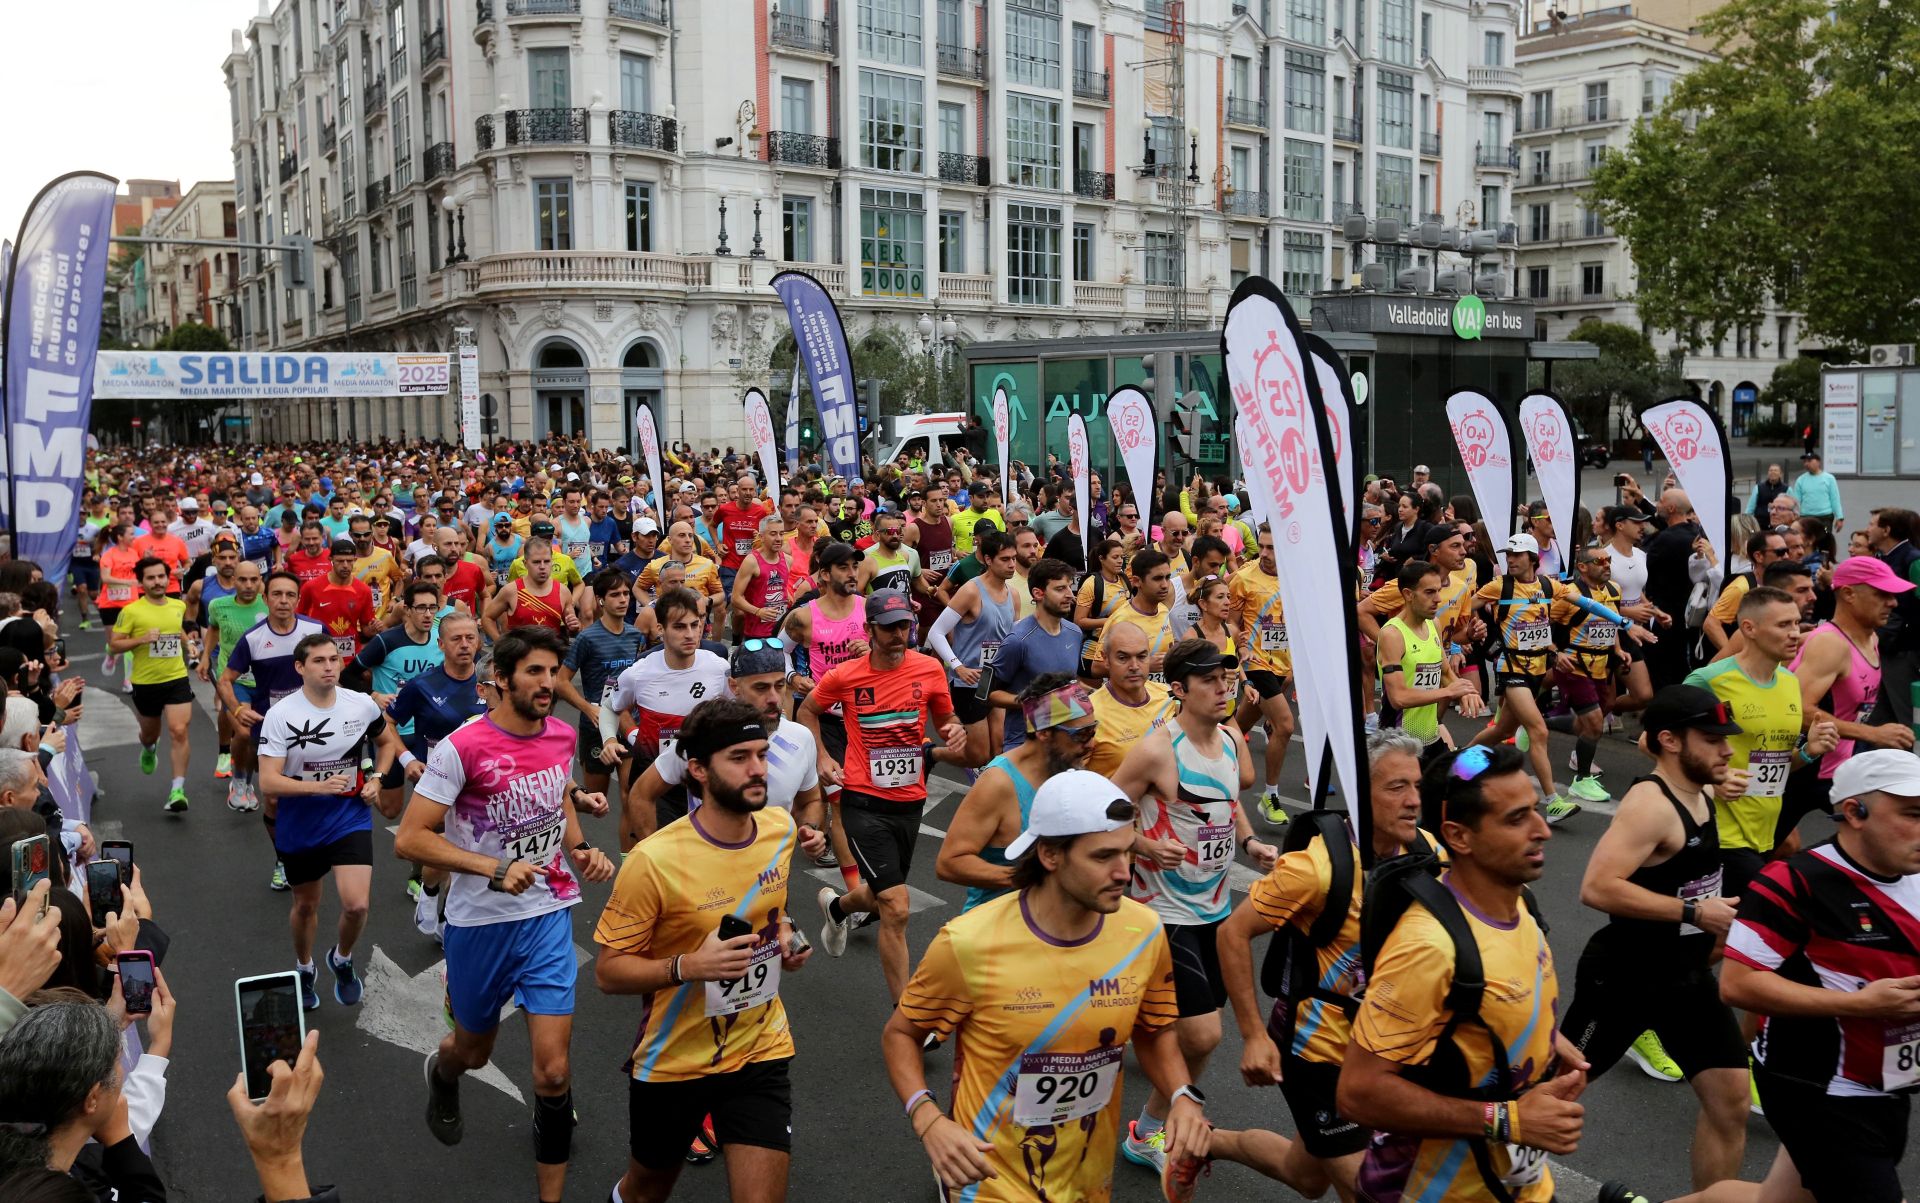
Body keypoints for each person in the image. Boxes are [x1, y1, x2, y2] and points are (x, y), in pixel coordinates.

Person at [883, 770, 1211, 1202]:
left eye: (1128, 852)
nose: (1123, 872)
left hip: (1087, 1181)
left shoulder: (1144, 931)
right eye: (1103, 856)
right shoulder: (969, 942)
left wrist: (1182, 1095)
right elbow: (901, 1034)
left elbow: (1154, 1029)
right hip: (986, 1183)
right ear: (1051, 855)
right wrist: (928, 1120)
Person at [396, 627, 615, 1203]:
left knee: (552, 1072)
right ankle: (443, 1074)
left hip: (548, 911)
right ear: (502, 680)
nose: (549, 684)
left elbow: (554, 793)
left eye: (553, 673)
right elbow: (411, 840)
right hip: (479, 922)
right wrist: (490, 867)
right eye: (535, 674)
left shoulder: (563, 736)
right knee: (473, 1052)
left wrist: (580, 844)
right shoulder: (462, 748)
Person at [1338, 743, 1590, 1203]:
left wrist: (1545, 1037)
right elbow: (1358, 1093)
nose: (1543, 830)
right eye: (1516, 819)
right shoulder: (1427, 949)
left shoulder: (1521, 906)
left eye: (1535, 810)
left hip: (1522, 1190)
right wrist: (1510, 1121)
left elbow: (1484, 1012)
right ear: (1459, 837)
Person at [1673, 747, 1920, 1203]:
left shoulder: (1914, 876)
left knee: (1777, 1200)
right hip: (1817, 1084)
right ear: (1855, 812)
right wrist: (1861, 1005)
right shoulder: (1792, 881)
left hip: (1886, 1082)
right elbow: (1738, 984)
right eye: (1913, 813)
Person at [593, 697, 815, 1202]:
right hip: (674, 1060)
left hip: (761, 1046)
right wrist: (690, 966)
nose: (758, 769)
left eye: (761, 753)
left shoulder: (780, 830)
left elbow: (774, 914)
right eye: (739, 757)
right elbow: (608, 973)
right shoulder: (653, 861)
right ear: (697, 769)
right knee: (646, 1191)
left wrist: (785, 939)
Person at [1208, 729, 1434, 1203]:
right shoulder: (1314, 869)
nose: (1414, 800)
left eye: (1417, 786)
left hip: (1384, 1050)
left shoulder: (1429, 854)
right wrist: (1252, 1035)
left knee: (1307, 1177)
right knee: (1369, 1192)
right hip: (1319, 1053)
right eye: (1397, 788)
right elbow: (1233, 932)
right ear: (1358, 792)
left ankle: (1205, 1141)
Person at [1558, 685, 1753, 1191]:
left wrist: (1716, 777)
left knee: (1730, 1101)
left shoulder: (1696, 783)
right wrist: (1694, 910)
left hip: (1684, 979)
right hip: (1624, 977)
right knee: (1553, 1096)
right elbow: (1596, 887)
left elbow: (1649, 743)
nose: (1727, 749)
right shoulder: (1651, 806)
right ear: (1672, 740)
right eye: (1711, 740)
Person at [1111, 638, 1275, 1174]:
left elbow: (1228, 802)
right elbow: (1105, 810)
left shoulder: (1229, 738)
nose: (1223, 687)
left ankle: (1144, 1088)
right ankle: (1152, 1128)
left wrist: (1249, 842)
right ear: (1179, 689)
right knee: (1205, 1033)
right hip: (1165, 913)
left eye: (1225, 678)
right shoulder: (1159, 749)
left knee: (1196, 1031)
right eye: (1208, 680)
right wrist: (1143, 845)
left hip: (1216, 908)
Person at [803, 590, 965, 1002]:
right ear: (870, 629)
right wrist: (822, 756)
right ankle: (906, 1012)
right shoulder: (846, 675)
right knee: (896, 905)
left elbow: (946, 720)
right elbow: (807, 710)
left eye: (904, 626)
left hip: (911, 801)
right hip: (862, 799)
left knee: (879, 896)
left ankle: (838, 907)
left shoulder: (929, 669)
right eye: (889, 627)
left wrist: (954, 732)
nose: (898, 634)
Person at [256, 634, 405, 1011]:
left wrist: (377, 780)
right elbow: (269, 782)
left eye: (334, 660)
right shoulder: (281, 715)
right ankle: (304, 967)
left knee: (356, 905)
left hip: (348, 814)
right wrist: (316, 787)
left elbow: (387, 744)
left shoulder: (360, 705)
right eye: (319, 661)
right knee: (306, 906)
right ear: (300, 667)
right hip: (300, 821)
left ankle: (341, 958)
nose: (329, 667)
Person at [1472, 532, 1650, 822]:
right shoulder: (1499, 586)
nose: (1511, 560)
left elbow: (1589, 605)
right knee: (1539, 731)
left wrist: (1624, 622)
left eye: (1517, 555)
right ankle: (1553, 802)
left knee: (1500, 731)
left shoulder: (1547, 586)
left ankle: (1458, 765)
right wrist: (1468, 632)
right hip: (1511, 668)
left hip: (1538, 668)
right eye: (1508, 555)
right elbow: (1469, 606)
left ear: (1532, 558)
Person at [1684, 586, 1839, 898]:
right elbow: (1654, 744)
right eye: (1783, 625)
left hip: (1763, 834)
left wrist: (1809, 751)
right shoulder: (1711, 681)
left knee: (1719, 941)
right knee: (1778, 910)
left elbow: (1775, 764)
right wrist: (1711, 783)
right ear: (1749, 629)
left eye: (1796, 623)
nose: (1795, 633)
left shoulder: (1789, 682)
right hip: (1718, 834)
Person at [626, 641, 829, 858]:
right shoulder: (704, 736)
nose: (773, 698)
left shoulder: (801, 738)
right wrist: (654, 861)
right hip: (703, 880)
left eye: (779, 686)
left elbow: (811, 800)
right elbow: (641, 794)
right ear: (734, 687)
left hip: (768, 883)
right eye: (761, 687)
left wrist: (810, 828)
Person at [936, 674, 1097, 913]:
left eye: (1093, 731)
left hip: (1054, 930)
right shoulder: (999, 783)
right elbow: (950, 863)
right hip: (995, 933)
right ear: (1044, 733)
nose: (1091, 744)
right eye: (1081, 735)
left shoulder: (1068, 769)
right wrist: (1027, 878)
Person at [1786, 555, 1918, 832]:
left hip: (1840, 762)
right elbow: (1796, 709)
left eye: (1893, 595)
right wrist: (1874, 734)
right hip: (1806, 766)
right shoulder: (1830, 644)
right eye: (1882, 594)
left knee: (1880, 835)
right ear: (1848, 594)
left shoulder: (1872, 638)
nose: (1892, 602)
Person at [600, 587, 732, 842]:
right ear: (660, 629)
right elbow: (609, 705)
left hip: (704, 779)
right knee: (658, 850)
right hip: (655, 780)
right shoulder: (639, 672)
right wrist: (610, 739)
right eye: (680, 627)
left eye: (695, 625)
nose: (691, 634)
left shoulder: (718, 667)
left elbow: (738, 714)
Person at [106, 557, 195, 813]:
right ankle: (148, 748)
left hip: (176, 678)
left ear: (168, 578)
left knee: (179, 731)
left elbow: (176, 629)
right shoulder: (132, 611)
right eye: (151, 578)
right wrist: (142, 639)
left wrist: (187, 642)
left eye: (161, 576)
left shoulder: (178, 605)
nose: (157, 582)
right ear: (142, 582)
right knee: (150, 733)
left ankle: (177, 790)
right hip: (145, 683)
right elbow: (114, 644)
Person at [927, 528, 1018, 768]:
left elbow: (1013, 639)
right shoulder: (970, 590)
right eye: (1005, 559)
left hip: (995, 679)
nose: (1011, 565)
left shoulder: (1014, 594)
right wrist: (957, 667)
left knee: (998, 749)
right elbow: (935, 632)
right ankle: (931, 754)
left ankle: (990, 798)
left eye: (1014, 558)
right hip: (969, 683)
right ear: (988, 560)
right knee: (978, 755)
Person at [1379, 560, 1484, 766]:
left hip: (1430, 736)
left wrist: (1464, 691)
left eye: (1438, 591)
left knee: (1452, 789)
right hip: (1401, 741)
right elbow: (1398, 698)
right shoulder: (1392, 634)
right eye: (1429, 592)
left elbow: (1444, 671)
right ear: (1409, 595)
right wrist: (1449, 692)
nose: (1438, 599)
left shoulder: (1433, 623)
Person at [1550, 545, 1634, 804]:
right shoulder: (1569, 594)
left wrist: (1619, 650)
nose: (1607, 564)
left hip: (1602, 664)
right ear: (1583, 567)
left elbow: (1613, 623)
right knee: (1595, 722)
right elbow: (1541, 625)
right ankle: (1582, 780)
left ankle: (1537, 722)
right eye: (1600, 561)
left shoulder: (1614, 590)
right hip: (1574, 663)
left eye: (1608, 560)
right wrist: (1556, 653)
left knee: (1594, 716)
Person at [555, 570, 648, 802]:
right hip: (595, 726)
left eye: (626, 593)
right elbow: (560, 680)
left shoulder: (636, 635)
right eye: (615, 594)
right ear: (601, 600)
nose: (623, 599)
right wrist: (587, 708)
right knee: (596, 800)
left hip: (629, 723)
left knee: (632, 795)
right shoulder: (588, 638)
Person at [982, 559, 1086, 752]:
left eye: (1070, 588)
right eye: (1060, 589)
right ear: (1038, 593)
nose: (1070, 595)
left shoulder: (1075, 632)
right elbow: (985, 693)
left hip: (1065, 743)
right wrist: (1034, 703)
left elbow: (1070, 682)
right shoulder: (1017, 640)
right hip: (1024, 745)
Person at [203, 558, 268, 805]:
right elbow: (213, 630)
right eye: (243, 579)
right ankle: (239, 782)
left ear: (260, 581)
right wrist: (204, 657)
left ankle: (247, 780)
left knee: (256, 740)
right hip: (233, 679)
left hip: (264, 681)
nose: (248, 585)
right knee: (243, 731)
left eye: (254, 579)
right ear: (234, 581)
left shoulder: (270, 605)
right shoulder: (218, 605)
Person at [1084, 621, 1178, 779]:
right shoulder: (1089, 715)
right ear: (1105, 659)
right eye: (1123, 658)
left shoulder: (1168, 696)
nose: (1134, 666)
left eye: (1142, 656)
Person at [1089, 549, 1175, 681]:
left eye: (1167, 577)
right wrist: (1146, 665)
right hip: (1130, 699)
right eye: (1157, 579)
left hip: (1161, 697)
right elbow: (1096, 668)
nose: (1165, 585)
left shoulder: (1163, 610)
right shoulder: (1120, 619)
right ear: (1136, 581)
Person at [298, 539, 378, 662]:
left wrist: (373, 629)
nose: (345, 565)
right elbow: (298, 619)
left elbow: (366, 628)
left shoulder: (364, 590)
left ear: (355, 560)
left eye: (349, 561)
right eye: (340, 561)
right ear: (331, 560)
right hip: (319, 656)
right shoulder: (311, 587)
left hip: (351, 658)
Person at [483, 539, 578, 639]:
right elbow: (487, 618)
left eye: (546, 561)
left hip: (551, 652)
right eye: (536, 562)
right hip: (520, 653)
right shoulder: (511, 591)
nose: (542, 566)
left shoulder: (563, 591)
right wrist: (499, 643)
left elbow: (572, 628)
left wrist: (574, 627)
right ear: (525, 564)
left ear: (552, 562)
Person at [730, 515, 796, 644]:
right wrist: (758, 611)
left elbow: (778, 584)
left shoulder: (788, 560)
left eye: (781, 534)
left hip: (781, 629)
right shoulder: (751, 561)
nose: (778, 539)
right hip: (756, 632)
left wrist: (786, 594)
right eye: (773, 534)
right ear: (761, 537)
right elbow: (736, 598)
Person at [1788, 450, 1843, 534]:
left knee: (1825, 538)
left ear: (1818, 462)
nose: (1806, 464)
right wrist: (1794, 517)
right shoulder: (1801, 480)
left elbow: (1835, 499)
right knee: (1806, 540)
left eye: (1809, 461)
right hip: (1805, 518)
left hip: (1825, 518)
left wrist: (1840, 517)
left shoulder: (1829, 478)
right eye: (1805, 462)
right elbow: (1796, 501)